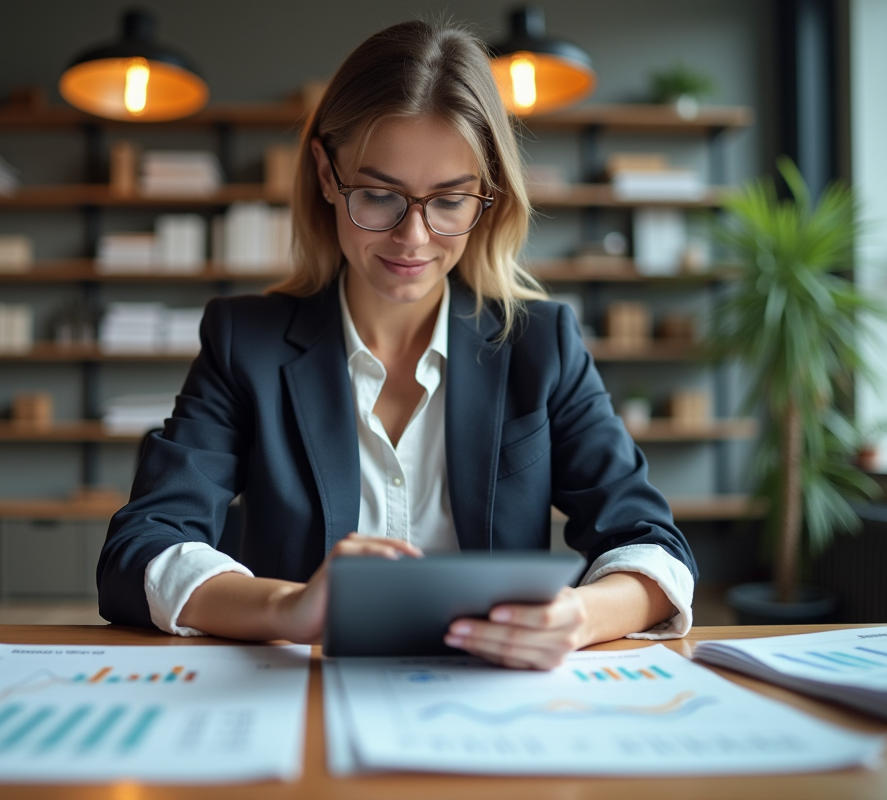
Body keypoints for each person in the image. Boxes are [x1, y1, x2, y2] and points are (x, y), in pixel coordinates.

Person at [98, 20, 697, 670]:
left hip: (491, 706)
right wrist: (287, 609)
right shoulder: (247, 343)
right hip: (303, 705)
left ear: (487, 195)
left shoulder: (541, 345)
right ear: (327, 174)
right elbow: (141, 548)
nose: (413, 237)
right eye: (379, 195)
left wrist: (578, 617)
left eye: (448, 200)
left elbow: (652, 545)